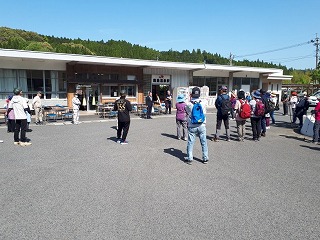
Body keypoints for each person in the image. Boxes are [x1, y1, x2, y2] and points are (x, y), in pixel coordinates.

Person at [184, 87, 208, 164]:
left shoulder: (188, 104)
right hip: (202, 125)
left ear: (191, 94)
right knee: (203, 142)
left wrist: (189, 98)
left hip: (192, 125)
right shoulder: (203, 102)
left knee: (190, 142)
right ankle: (205, 158)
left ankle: (190, 158)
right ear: (199, 94)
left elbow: (187, 112)